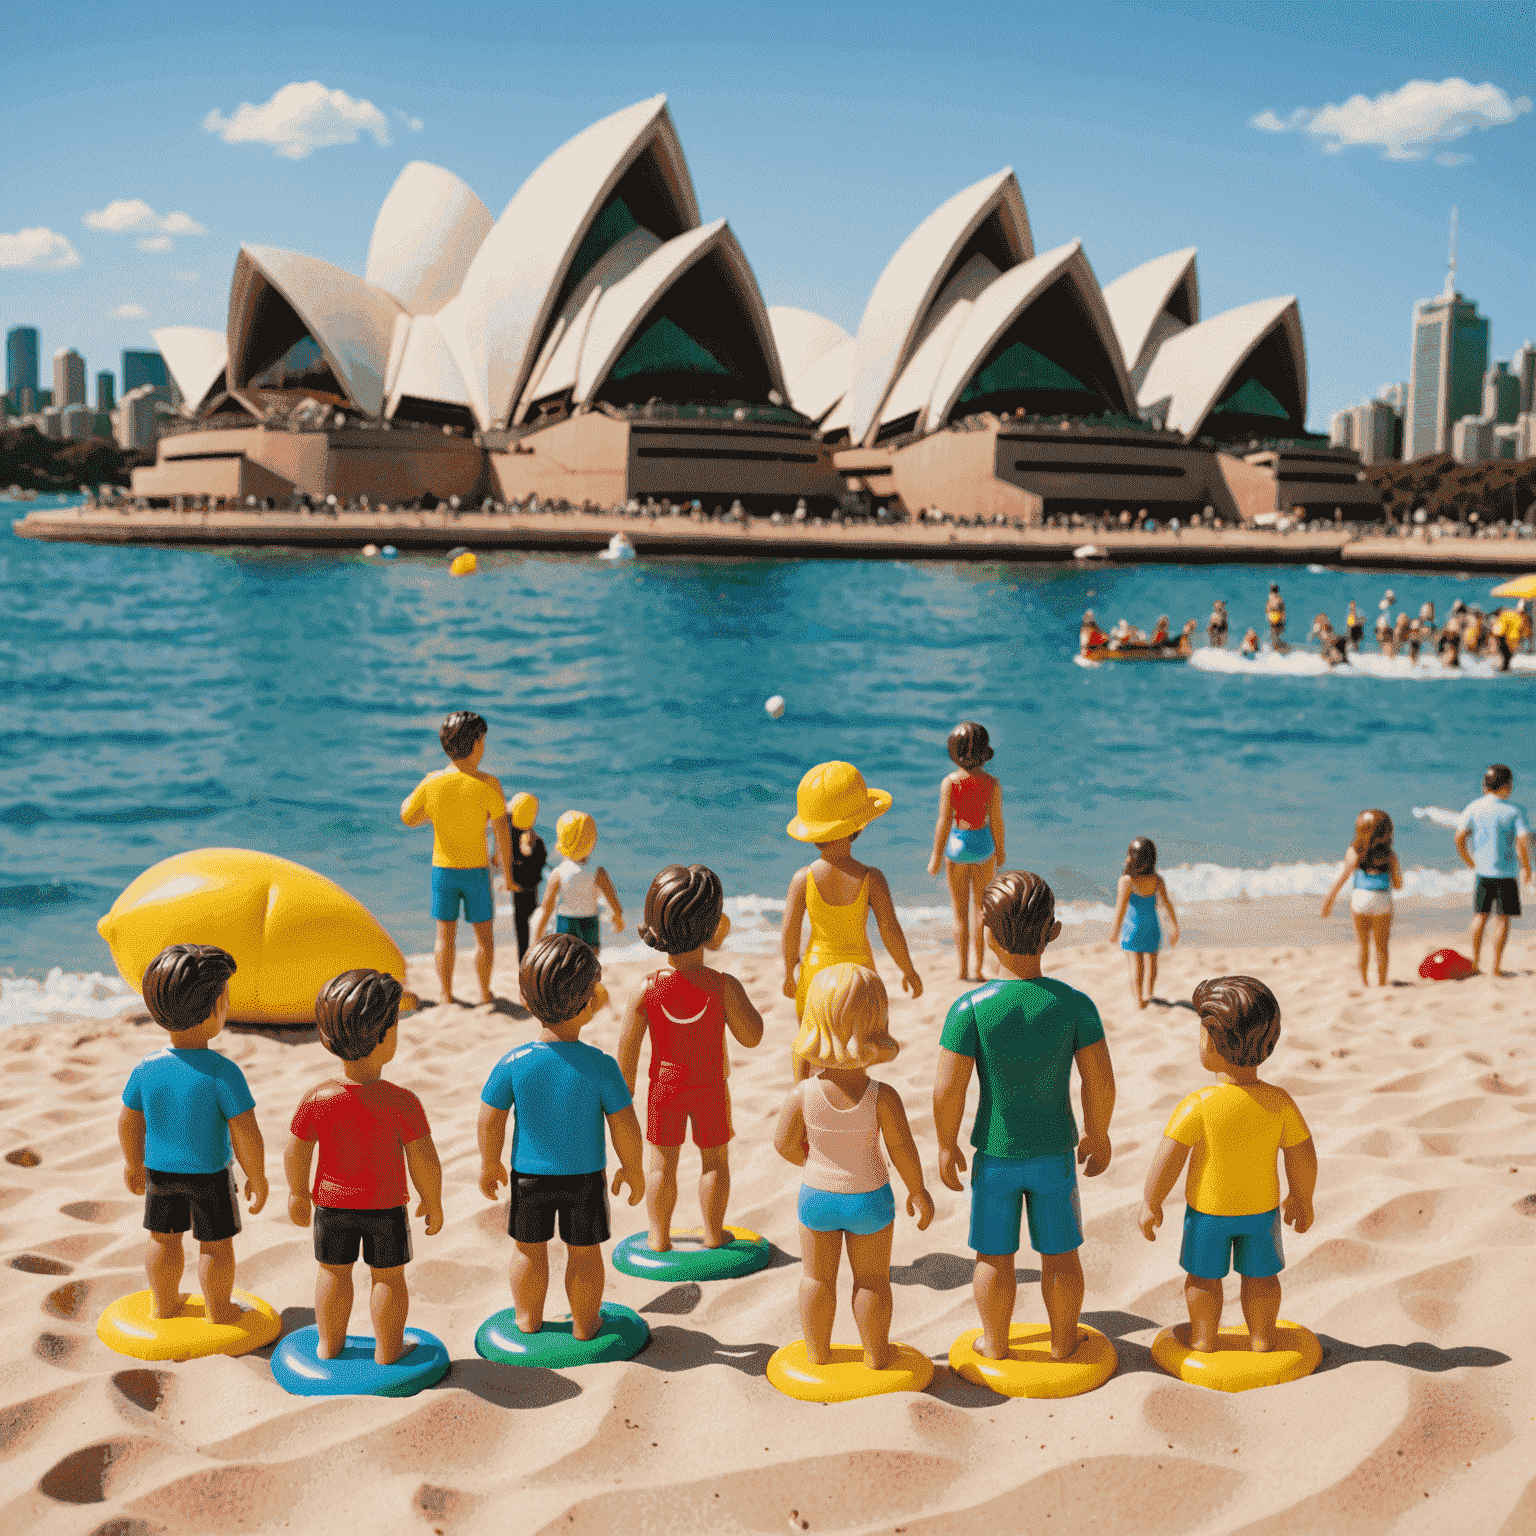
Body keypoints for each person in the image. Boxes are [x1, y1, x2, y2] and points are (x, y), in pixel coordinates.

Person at [934, 871, 1115, 1363]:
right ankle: (1062, 1341)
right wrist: (1098, 1131)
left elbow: (948, 1088)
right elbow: (1099, 1080)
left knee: (994, 1254)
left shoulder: (970, 1007)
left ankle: (994, 1342)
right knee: (1060, 1253)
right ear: (1053, 931)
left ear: (987, 935)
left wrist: (946, 1143)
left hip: (995, 1154)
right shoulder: (1075, 1005)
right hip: (1055, 1152)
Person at [477, 934, 645, 1339]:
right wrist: (633, 1167)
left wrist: (489, 1162)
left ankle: (527, 1319)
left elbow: (490, 1118)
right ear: (589, 1005)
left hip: (528, 1177)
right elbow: (625, 1124)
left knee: (528, 1251)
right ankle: (586, 1324)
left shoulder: (514, 1063)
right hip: (585, 1178)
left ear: (525, 1000)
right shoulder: (601, 1065)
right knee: (585, 1254)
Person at [1138, 976, 1316, 1353]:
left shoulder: (1198, 1103)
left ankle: (1204, 1338)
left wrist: (1150, 1202)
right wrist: (1302, 1198)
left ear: (1211, 1045)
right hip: (1261, 1210)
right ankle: (1262, 1337)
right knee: (1262, 1277)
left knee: (1202, 1279)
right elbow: (1301, 1154)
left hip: (1208, 1212)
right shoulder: (1280, 1101)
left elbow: (1169, 1158)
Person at [773, 964, 933, 1370]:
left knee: (816, 1280)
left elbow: (783, 1143)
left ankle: (818, 1353)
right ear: (877, 1024)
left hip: (817, 1196)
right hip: (869, 1199)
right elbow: (901, 1149)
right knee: (873, 1281)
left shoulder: (803, 1093)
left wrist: (807, 1160)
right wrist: (918, 1190)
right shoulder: (883, 1096)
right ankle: (876, 1355)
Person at [286, 970, 443, 1364]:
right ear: (383, 1038)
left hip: (332, 1207)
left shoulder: (318, 1098)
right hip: (386, 1206)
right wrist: (432, 1198)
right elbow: (423, 1157)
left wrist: (296, 1191)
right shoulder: (402, 1101)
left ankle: (329, 1346)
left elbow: (297, 1150)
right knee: (388, 1278)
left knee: (333, 1274)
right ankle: (389, 1350)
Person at [617, 864, 764, 1252]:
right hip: (710, 1086)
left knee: (661, 1165)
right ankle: (714, 1235)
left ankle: (659, 1237)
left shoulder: (645, 990)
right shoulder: (722, 985)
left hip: (663, 1089)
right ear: (713, 927)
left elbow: (626, 1056)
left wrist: (620, 1102)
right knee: (714, 1162)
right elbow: (753, 1036)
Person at [118, 944, 267, 1325]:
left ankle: (163, 1305)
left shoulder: (146, 1068)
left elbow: (129, 1121)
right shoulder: (223, 1071)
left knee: (162, 1239)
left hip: (160, 1173)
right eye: (225, 999)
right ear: (215, 1008)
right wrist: (256, 1174)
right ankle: (219, 1310)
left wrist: (133, 1162)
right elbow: (245, 1131)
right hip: (210, 1177)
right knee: (215, 1246)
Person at [782, 761, 922, 1078]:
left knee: (809, 1043)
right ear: (858, 826)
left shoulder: (802, 879)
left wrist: (788, 970)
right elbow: (890, 929)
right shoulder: (872, 878)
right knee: (859, 1048)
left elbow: (790, 930)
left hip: (816, 970)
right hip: (860, 969)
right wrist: (907, 969)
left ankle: (803, 1098)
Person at [400, 711, 513, 1007]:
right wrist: (508, 875)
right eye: (483, 740)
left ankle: (445, 994)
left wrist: (434, 815)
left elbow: (408, 816)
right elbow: (502, 832)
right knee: (484, 940)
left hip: (443, 870)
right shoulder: (489, 784)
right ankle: (484, 993)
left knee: (444, 937)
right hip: (475, 872)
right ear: (476, 743)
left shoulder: (432, 782)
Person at [927, 722, 1005, 981]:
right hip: (983, 846)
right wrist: (1001, 851)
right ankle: (978, 968)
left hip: (957, 847)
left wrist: (935, 858)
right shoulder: (992, 783)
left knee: (959, 911)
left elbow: (943, 821)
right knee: (981, 912)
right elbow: (996, 820)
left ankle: (961, 969)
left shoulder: (950, 783)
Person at [1455, 765, 1532, 977]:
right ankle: (1496, 967)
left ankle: (1475, 963)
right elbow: (1524, 841)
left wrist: (1468, 860)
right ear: (1507, 786)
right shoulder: (1514, 810)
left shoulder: (1473, 807)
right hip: (1506, 874)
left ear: (1484, 785)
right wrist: (1526, 866)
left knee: (1480, 916)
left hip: (1483, 873)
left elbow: (1459, 836)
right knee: (1503, 919)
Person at [1319, 810, 1404, 985]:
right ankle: (1381, 982)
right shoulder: (1390, 855)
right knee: (1381, 947)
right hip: (1382, 900)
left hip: (1360, 899)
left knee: (1363, 946)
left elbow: (1342, 878)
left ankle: (1365, 982)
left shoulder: (1355, 851)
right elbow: (1397, 884)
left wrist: (1328, 902)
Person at [533, 810, 623, 953]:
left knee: (566, 961)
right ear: (592, 841)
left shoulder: (558, 874)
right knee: (591, 962)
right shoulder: (598, 873)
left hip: (566, 926)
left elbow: (547, 908)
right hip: (590, 926)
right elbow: (613, 902)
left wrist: (538, 934)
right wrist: (617, 918)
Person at [1110, 836, 1180, 1008]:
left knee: (1137, 966)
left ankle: (1139, 1001)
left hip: (1133, 929)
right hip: (1152, 929)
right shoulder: (1156, 879)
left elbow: (1120, 908)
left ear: (1132, 859)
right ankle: (1149, 993)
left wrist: (1114, 932)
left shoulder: (1127, 881)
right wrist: (1174, 926)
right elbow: (1167, 904)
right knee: (1152, 965)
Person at [506, 792, 548, 960]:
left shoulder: (509, 831)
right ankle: (530, 959)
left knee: (522, 929)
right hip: (529, 885)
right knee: (529, 926)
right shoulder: (531, 838)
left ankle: (525, 961)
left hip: (520, 886)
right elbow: (535, 856)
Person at [1490, 605, 1524, 673]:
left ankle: (1505, 667)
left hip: (1505, 637)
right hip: (1513, 636)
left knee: (1505, 653)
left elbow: (1499, 630)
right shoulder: (1512, 615)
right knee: (1508, 653)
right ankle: (1506, 667)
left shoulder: (1504, 615)